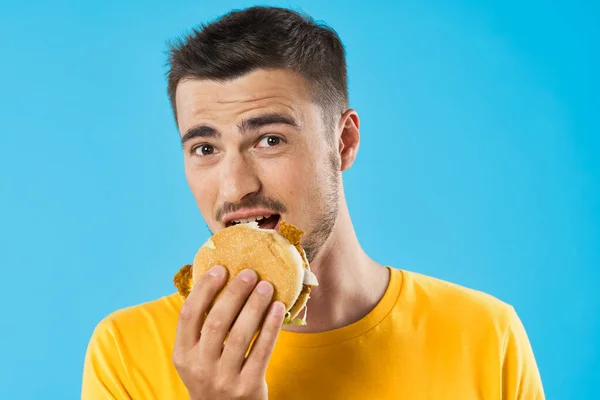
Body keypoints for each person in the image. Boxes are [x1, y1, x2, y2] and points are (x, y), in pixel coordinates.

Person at [81, 6, 545, 399]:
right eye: (205, 149)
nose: (234, 187)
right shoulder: (126, 350)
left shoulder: (486, 334)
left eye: (269, 139)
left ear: (343, 142)